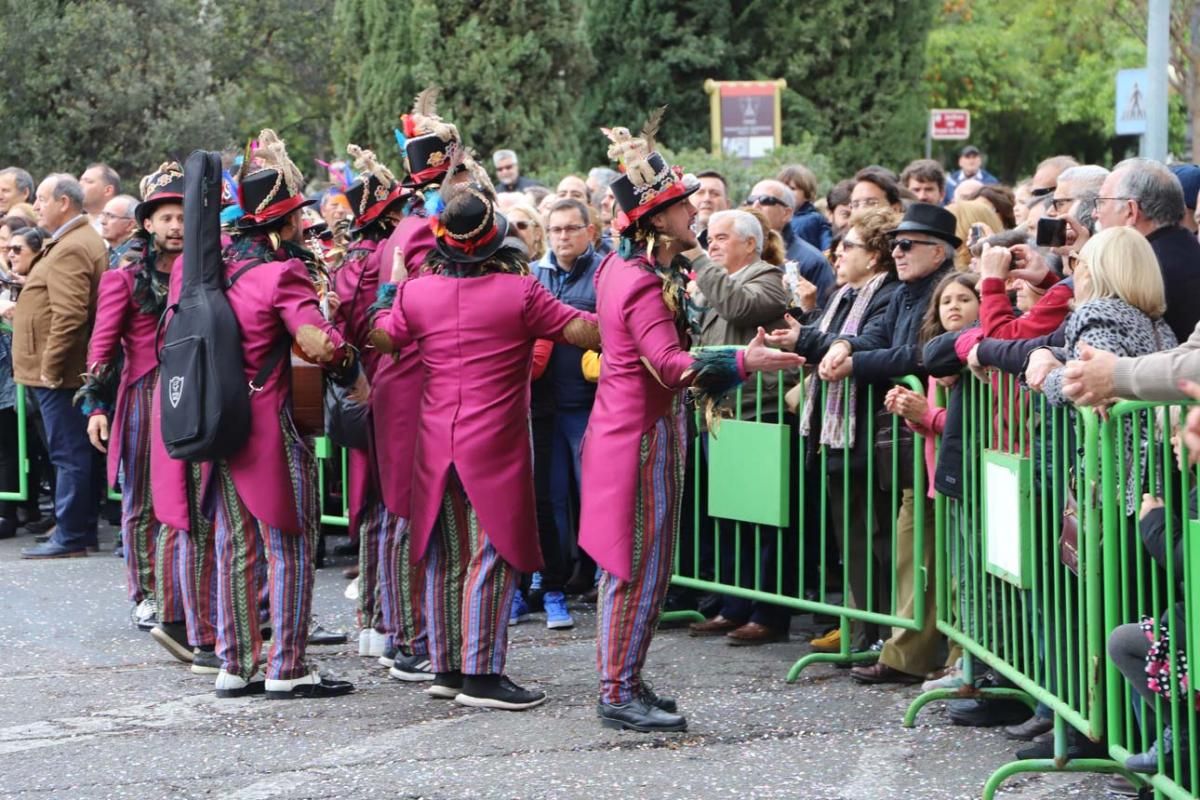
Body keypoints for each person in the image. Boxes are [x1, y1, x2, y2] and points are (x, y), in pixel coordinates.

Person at [578, 122, 803, 732]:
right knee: (634, 567)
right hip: (639, 438)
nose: (693, 210)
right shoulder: (643, 282)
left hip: (636, 431)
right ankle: (618, 689)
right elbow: (673, 367)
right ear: (657, 219)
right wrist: (743, 360)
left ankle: (625, 678)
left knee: (643, 565)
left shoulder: (635, 272)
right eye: (681, 204)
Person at [370, 175, 600, 711]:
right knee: (490, 553)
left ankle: (447, 668)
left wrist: (391, 290)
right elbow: (581, 331)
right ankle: (481, 674)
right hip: (494, 441)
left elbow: (383, 335)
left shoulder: (417, 291)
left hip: (434, 441)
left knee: (445, 556)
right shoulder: (519, 292)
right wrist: (628, 310)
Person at [187, 131, 364, 699]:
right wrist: (351, 366)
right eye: (295, 218)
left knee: (237, 547)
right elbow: (316, 341)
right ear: (282, 225)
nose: (299, 227)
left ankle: (234, 664)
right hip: (271, 423)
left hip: (219, 420)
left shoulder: (209, 275)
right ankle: (287, 665)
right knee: (288, 544)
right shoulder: (280, 274)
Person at [815, 203, 959, 685]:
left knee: (945, 556)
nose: (895, 252)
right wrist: (847, 346)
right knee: (910, 549)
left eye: (906, 245)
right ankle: (907, 653)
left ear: (939, 252)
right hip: (909, 438)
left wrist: (856, 361)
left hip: (941, 435)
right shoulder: (902, 292)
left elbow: (925, 354)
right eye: (893, 244)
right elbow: (876, 335)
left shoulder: (948, 290)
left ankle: (952, 661)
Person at [766, 207, 903, 653]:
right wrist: (802, 335)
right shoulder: (845, 293)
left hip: (865, 431)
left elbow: (870, 344)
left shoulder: (887, 294)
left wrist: (806, 340)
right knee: (853, 539)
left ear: (877, 254)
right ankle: (860, 628)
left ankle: (877, 634)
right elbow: (825, 343)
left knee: (874, 537)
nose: (836, 253)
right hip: (835, 431)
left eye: (849, 246)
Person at [78, 163, 183, 630]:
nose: (176, 227)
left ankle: (187, 592)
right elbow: (101, 346)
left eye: (182, 217)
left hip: (195, 392)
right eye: (166, 218)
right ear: (147, 224)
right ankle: (146, 593)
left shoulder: (202, 271)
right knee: (143, 497)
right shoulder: (122, 276)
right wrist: (97, 406)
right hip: (143, 394)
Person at [685, 207, 792, 644]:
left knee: (764, 522)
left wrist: (695, 257)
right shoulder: (717, 282)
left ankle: (768, 613)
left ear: (751, 243)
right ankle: (733, 604)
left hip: (759, 414)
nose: (711, 244)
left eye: (722, 237)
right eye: (708, 237)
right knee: (729, 516)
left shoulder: (766, 278)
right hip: (723, 414)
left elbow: (737, 305)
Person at [13, 174, 106, 559]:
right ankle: (76, 531)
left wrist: (50, 368)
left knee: (68, 454)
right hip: (59, 371)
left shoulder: (71, 247)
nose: (36, 206)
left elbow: (69, 316)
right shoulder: (71, 241)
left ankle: (71, 535)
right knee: (73, 452)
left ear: (64, 203)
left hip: (59, 373)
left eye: (42, 199)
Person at [535, 198, 604, 630]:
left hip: (590, 405)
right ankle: (553, 582)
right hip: (544, 408)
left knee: (595, 495)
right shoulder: (533, 272)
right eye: (556, 229)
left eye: (571, 228)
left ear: (590, 231)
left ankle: (602, 576)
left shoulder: (604, 272)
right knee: (552, 498)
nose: (563, 236)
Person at [746, 178, 834, 306]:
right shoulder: (736, 252)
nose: (755, 206)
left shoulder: (813, 261)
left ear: (786, 213)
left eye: (765, 200)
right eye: (751, 201)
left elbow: (823, 316)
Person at [778, 164, 832, 251]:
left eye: (792, 188)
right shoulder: (775, 219)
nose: (786, 193)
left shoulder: (815, 219)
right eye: (783, 188)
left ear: (807, 193)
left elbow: (827, 251)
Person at [98, 194, 141, 268]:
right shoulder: (106, 253)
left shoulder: (134, 256)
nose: (102, 221)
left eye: (111, 216)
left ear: (130, 224)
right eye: (103, 214)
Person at [692, 170, 729, 250]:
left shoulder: (738, 245)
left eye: (715, 193)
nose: (707, 199)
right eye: (700, 192)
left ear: (727, 204)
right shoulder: (674, 244)